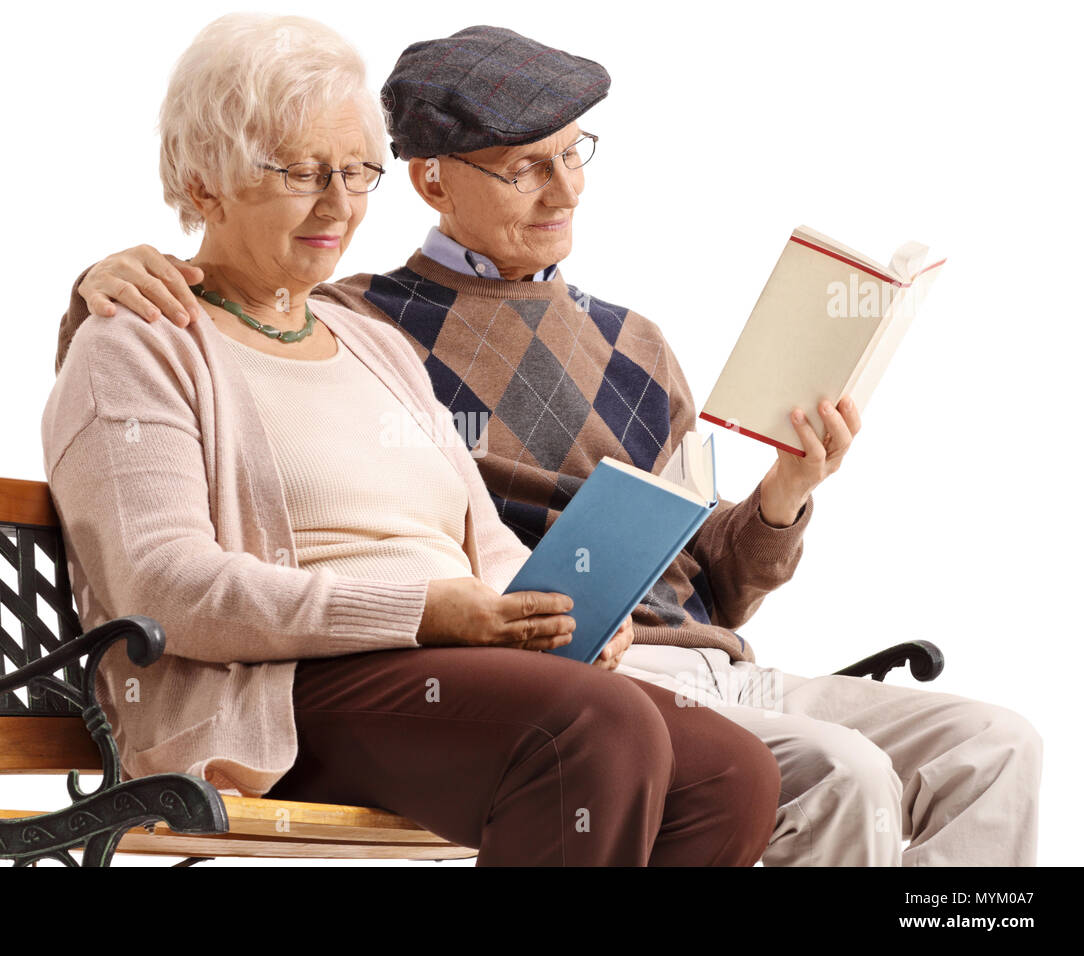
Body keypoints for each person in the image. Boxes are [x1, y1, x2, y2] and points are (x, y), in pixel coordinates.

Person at [57, 23, 1043, 866]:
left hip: (626, 652)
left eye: (352, 174)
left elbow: (515, 542)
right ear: (432, 179)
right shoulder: (328, 317)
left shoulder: (412, 346)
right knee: (672, 742)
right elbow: (164, 569)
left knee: (941, 749)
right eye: (525, 162)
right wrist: (105, 276)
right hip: (349, 673)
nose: (337, 204)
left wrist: (777, 496)